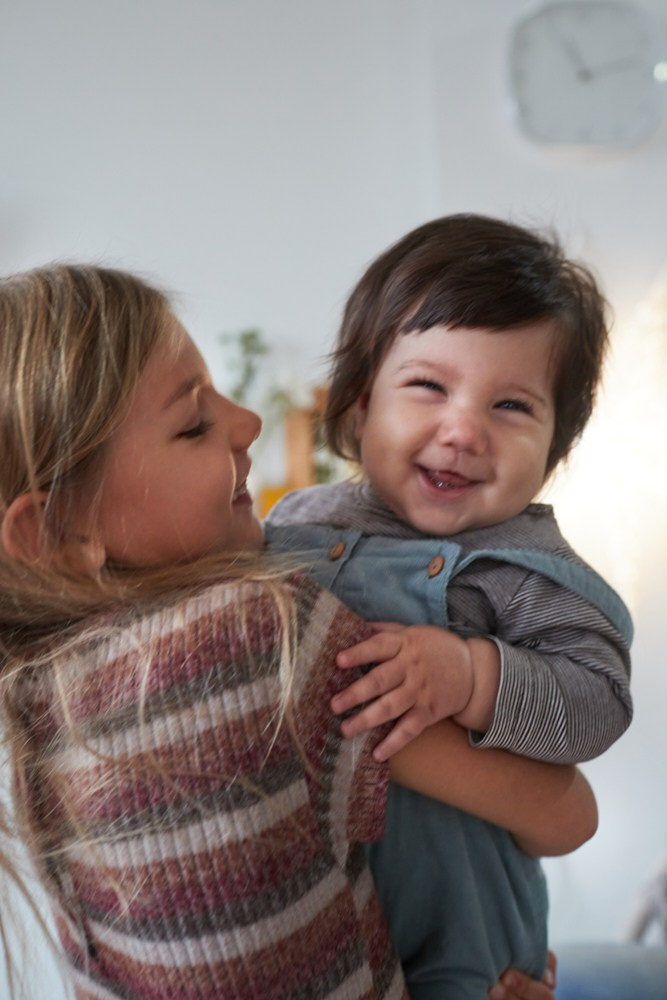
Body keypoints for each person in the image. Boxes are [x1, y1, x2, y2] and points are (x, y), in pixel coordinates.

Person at [0, 264, 593, 1000]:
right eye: (193, 424)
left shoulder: (32, 703)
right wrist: (470, 675)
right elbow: (565, 814)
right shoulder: (247, 634)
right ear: (57, 533)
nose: (248, 422)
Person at [265, 214, 634, 999]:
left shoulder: (525, 569)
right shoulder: (295, 527)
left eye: (512, 406)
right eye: (428, 387)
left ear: (556, 446)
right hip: (316, 931)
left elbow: (598, 702)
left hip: (468, 949)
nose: (462, 430)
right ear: (358, 405)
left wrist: (472, 676)